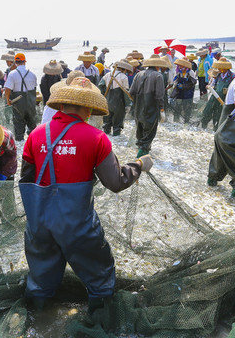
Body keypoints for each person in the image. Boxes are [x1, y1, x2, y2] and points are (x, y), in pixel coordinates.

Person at [19, 76, 152, 314]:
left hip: (38, 224)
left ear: (61, 105)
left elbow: (27, 180)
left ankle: (39, 322)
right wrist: (139, 165)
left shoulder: (36, 135)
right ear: (88, 109)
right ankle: (98, 319)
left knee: (40, 280)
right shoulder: (96, 138)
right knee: (99, 276)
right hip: (77, 227)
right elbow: (115, 182)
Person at [129, 56, 166, 157]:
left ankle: (140, 156)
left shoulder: (138, 74)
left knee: (140, 132)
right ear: (157, 65)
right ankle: (141, 158)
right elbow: (159, 95)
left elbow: (131, 92)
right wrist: (162, 108)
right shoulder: (158, 76)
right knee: (149, 133)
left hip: (138, 108)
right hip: (151, 108)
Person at [4, 53, 39, 141]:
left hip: (18, 104)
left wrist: (8, 100)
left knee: (19, 126)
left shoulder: (12, 74)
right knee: (32, 127)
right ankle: (33, 143)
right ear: (25, 62)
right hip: (31, 104)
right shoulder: (33, 74)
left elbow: (7, 89)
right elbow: (35, 89)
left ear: (15, 62)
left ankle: (20, 143)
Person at [201, 58, 235, 130]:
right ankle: (204, 128)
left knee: (218, 115)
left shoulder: (233, 76)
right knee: (207, 112)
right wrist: (210, 87)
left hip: (223, 98)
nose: (219, 69)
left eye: (221, 67)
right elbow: (213, 84)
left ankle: (216, 130)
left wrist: (228, 90)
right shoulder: (218, 75)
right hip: (214, 97)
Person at [101, 60, 132, 135]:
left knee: (107, 118)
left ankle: (106, 133)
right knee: (118, 118)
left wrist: (103, 96)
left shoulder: (107, 75)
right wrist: (128, 104)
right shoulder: (123, 77)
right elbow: (125, 91)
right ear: (124, 69)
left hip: (107, 99)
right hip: (118, 100)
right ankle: (116, 133)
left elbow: (100, 86)